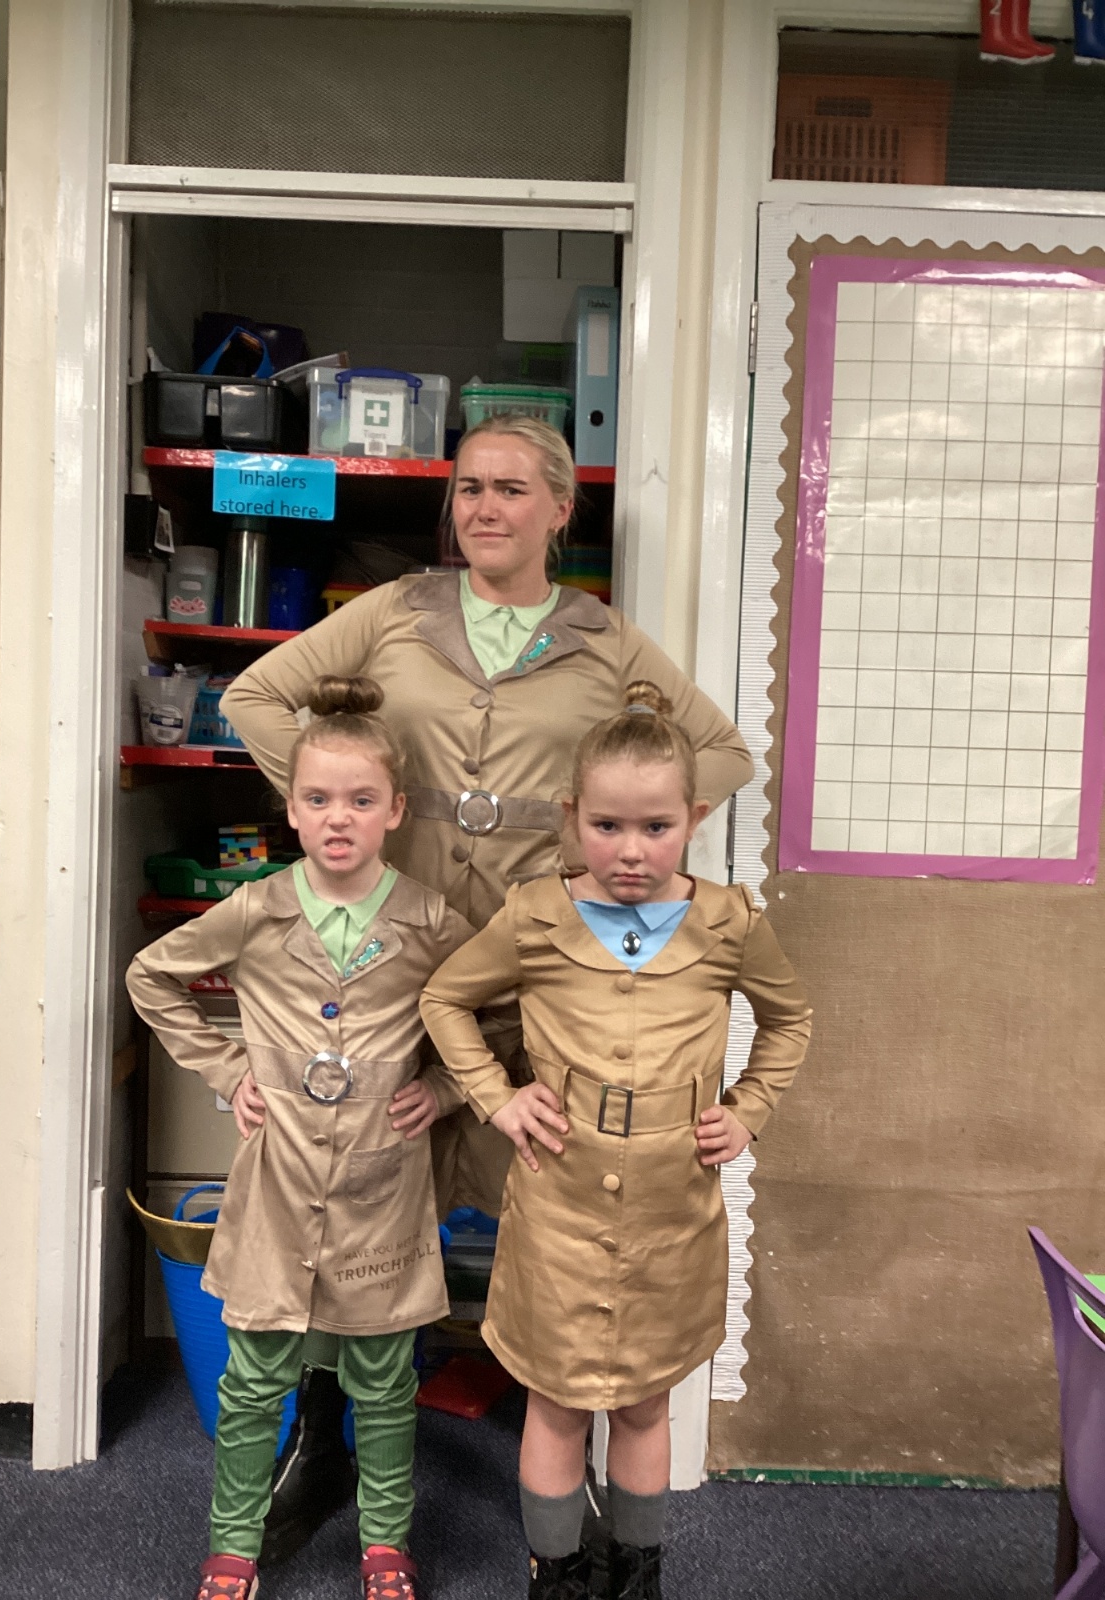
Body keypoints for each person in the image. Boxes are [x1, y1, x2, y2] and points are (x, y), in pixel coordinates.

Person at [220, 414, 755, 1542]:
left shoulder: (602, 639)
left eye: (512, 489)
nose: (485, 508)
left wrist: (608, 848)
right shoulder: (395, 611)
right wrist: (349, 811)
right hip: (389, 968)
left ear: (561, 508)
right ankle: (325, 1441)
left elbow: (719, 753)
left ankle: (571, 1458)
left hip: (534, 983)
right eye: (469, 488)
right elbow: (255, 698)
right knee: (350, 1210)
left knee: (555, 1216)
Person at [419, 682, 813, 1600]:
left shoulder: (730, 923)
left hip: (673, 1213)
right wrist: (496, 1097)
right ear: (571, 816)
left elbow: (790, 1019)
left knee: (643, 1403)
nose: (631, 851)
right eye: (605, 827)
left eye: (656, 828)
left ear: (695, 819)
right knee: (556, 1403)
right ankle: (554, 1579)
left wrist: (749, 1108)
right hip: (558, 1204)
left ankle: (638, 1580)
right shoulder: (535, 916)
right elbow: (446, 999)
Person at [126, 677, 472, 1600]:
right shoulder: (257, 909)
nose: (338, 818)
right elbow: (152, 977)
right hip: (276, 1183)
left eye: (360, 800)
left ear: (395, 810)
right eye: (317, 799)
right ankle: (233, 1546)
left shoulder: (432, 921)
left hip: (381, 1189)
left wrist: (443, 1089)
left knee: (384, 1381)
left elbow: (500, 1015)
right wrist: (228, 1071)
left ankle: (385, 1543)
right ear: (290, 808)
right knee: (252, 1378)